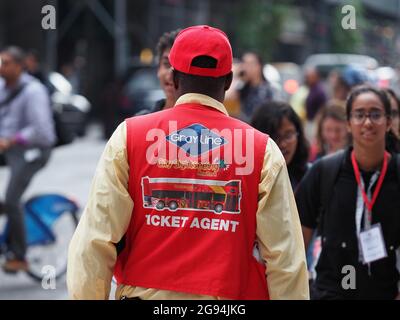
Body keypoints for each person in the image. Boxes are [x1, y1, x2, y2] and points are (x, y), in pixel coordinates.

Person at [67, 25, 309, 300]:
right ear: (229, 81)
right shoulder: (262, 150)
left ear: (174, 77)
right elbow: (285, 258)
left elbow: (95, 239)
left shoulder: (129, 137)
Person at [296, 85, 400, 300]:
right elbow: (296, 244)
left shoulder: (397, 173)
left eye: (376, 114)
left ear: (389, 122)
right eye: (360, 115)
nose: (368, 122)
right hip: (330, 292)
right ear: (348, 124)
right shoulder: (323, 172)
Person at [0, 46, 56, 272]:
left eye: (5, 63)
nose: (1, 67)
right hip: (9, 150)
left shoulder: (34, 91)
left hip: (33, 150)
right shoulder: (3, 88)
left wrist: (12, 140)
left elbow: (41, 130)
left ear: (19, 65)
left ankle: (20, 255)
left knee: (12, 198)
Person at [251, 101, 309, 191]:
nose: (283, 144)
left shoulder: (309, 176)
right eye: (275, 137)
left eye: (288, 135)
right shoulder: (250, 180)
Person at [136, 29, 180, 115]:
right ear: (158, 69)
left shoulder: (204, 126)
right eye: (166, 64)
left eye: (179, 66)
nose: (171, 73)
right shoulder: (140, 122)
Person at [238, 51, 273, 121]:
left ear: (259, 66)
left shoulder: (268, 90)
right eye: (243, 63)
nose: (245, 67)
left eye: (249, 64)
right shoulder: (243, 88)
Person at [304, 67, 327, 142]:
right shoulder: (312, 89)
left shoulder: (319, 91)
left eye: (310, 77)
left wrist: (318, 125)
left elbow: (323, 108)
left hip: (314, 123)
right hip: (310, 121)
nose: (308, 79)